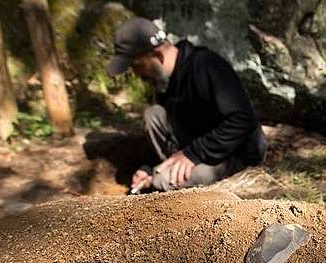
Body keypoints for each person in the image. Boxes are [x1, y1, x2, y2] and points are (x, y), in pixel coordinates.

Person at [107, 17, 267, 192]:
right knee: (153, 114)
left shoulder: (206, 66)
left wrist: (192, 154)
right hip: (197, 145)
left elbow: (243, 119)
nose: (137, 74)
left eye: (136, 65)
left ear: (158, 55)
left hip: (234, 153)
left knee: (162, 181)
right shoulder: (165, 80)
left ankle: (166, 174)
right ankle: (165, 170)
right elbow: (171, 131)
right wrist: (147, 168)